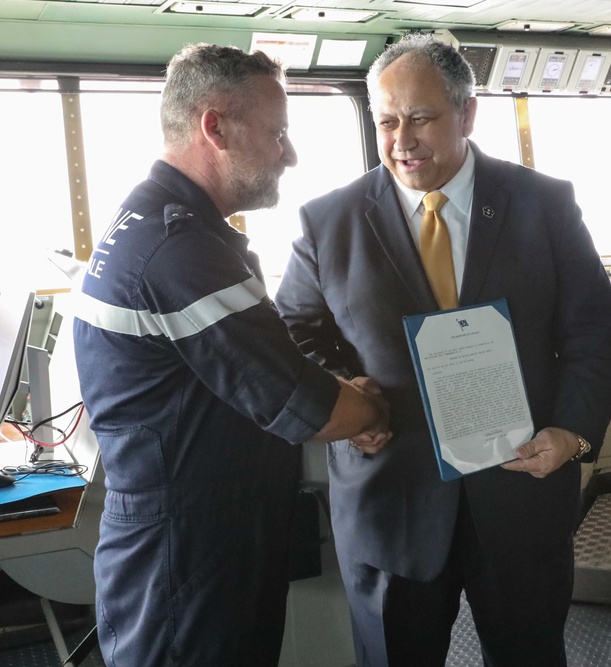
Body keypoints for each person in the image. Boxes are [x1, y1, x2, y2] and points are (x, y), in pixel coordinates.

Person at [275, 34, 611, 667]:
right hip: (392, 501)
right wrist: (349, 400)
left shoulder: (543, 205)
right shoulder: (328, 222)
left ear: (466, 114)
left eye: (421, 118)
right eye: (387, 121)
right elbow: (295, 333)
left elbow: (593, 329)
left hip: (521, 488)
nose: (401, 139)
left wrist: (573, 432)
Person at [73, 43, 391, 666]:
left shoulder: (147, 226)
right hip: (191, 551)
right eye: (277, 133)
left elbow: (255, 363)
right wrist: (370, 410)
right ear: (214, 127)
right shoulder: (180, 249)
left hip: (189, 535)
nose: (289, 154)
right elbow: (306, 405)